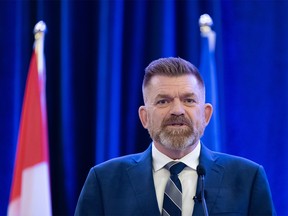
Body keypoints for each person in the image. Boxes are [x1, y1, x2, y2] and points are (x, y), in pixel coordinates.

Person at [75, 57, 276, 215]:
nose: (177, 110)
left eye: (189, 100)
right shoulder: (104, 181)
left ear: (206, 115)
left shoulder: (248, 178)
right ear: (144, 117)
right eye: (163, 101)